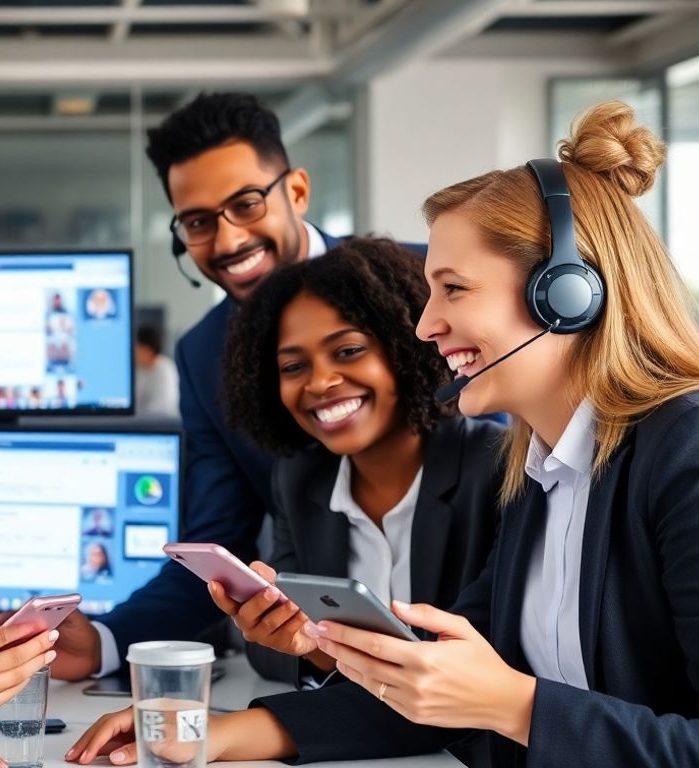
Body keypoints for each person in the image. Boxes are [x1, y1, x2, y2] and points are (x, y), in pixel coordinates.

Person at [68, 101, 699, 766]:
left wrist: (511, 704)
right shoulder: (539, 475)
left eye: (453, 289)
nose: (425, 328)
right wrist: (213, 732)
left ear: (565, 294)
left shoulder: (680, 458)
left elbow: (497, 702)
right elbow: (430, 687)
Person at [26, 92, 351, 682]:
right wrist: (104, 641)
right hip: (309, 667)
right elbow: (216, 547)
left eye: (247, 205)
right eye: (199, 222)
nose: (227, 243)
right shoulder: (205, 356)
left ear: (296, 193)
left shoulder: (424, 290)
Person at [215, 237, 501, 704]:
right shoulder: (300, 478)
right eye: (293, 366)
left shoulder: (494, 467)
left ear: (404, 345)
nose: (320, 382)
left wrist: (325, 646)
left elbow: (477, 665)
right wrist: (295, 638)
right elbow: (271, 656)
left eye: (347, 351)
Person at [133, 325, 179, 417]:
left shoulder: (165, 369)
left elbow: (162, 407)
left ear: (148, 349)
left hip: (162, 422)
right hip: (141, 420)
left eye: (137, 348)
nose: (134, 352)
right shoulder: (139, 370)